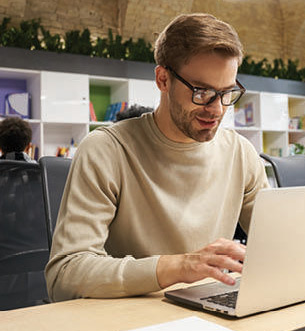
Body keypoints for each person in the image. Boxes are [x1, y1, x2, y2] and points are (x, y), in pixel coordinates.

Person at [45, 13, 270, 301]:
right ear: (163, 79)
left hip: (212, 313)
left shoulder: (240, 152)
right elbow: (64, 275)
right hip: (134, 317)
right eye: (201, 92)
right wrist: (176, 266)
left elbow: (276, 245)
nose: (216, 109)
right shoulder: (106, 150)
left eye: (227, 93)